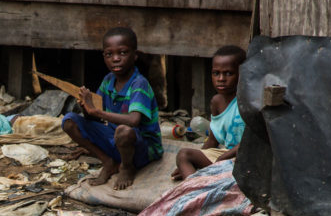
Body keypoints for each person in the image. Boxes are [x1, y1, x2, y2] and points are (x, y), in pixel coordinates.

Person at [62, 27, 162, 190]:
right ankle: (108, 162)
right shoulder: (108, 81)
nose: (115, 59)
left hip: (142, 148)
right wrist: (88, 108)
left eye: (122, 53)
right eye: (109, 54)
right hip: (117, 142)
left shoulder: (139, 83)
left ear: (135, 55)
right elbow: (96, 117)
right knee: (69, 121)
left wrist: (97, 112)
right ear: (104, 57)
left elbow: (134, 120)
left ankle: (127, 167)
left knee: (123, 131)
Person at [172, 45, 247, 180]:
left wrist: (222, 158)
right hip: (225, 157)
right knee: (183, 155)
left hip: (246, 158)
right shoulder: (216, 102)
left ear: (243, 73)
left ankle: (197, 185)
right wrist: (195, 161)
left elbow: (250, 142)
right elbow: (212, 141)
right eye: (216, 73)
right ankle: (195, 188)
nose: (221, 78)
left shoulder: (248, 101)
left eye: (229, 73)